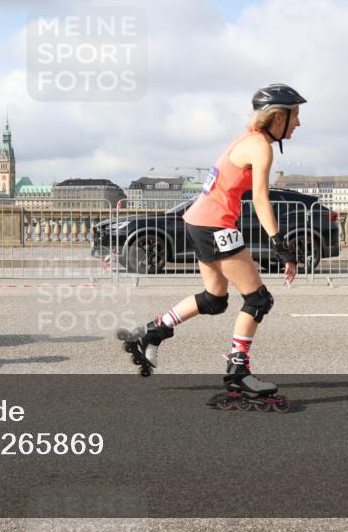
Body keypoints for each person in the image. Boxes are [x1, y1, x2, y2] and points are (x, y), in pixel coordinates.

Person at [118, 84, 306, 410]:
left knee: (214, 299)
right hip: (215, 224)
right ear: (278, 117)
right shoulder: (261, 147)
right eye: (296, 117)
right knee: (258, 299)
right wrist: (281, 245)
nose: (298, 124)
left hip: (198, 221)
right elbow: (261, 198)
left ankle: (150, 333)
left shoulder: (246, 139)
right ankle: (238, 370)